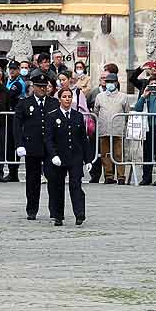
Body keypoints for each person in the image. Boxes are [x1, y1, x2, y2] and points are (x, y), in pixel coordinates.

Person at [44, 83, 90, 225]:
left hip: (75, 156)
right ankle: (58, 215)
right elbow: (48, 139)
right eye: (64, 97)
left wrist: (88, 159)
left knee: (76, 185)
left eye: (69, 97)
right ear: (59, 99)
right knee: (58, 186)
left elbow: (83, 139)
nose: (67, 99)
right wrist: (53, 155)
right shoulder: (52, 116)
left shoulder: (77, 116)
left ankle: (79, 213)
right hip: (59, 156)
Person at [14, 71, 57, 219]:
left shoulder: (53, 103)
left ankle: (55, 210)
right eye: (39, 86)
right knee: (32, 180)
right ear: (33, 87)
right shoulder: (24, 104)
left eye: (45, 86)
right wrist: (19, 144)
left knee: (53, 179)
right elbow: (17, 126)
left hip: (50, 148)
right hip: (32, 147)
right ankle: (32, 210)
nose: (42, 89)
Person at [91, 70, 134, 185]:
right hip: (104, 130)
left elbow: (127, 112)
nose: (109, 84)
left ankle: (121, 176)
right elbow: (96, 111)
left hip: (118, 130)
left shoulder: (123, 97)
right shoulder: (100, 97)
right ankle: (108, 176)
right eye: (107, 81)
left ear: (116, 83)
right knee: (105, 154)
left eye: (112, 82)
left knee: (119, 154)